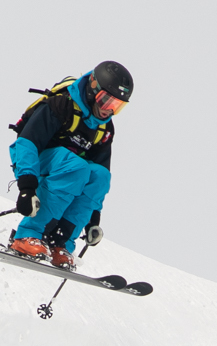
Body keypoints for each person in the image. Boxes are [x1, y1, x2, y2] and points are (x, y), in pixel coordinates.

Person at [7, 60, 132, 267]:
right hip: (32, 159)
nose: (108, 110)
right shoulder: (61, 105)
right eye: (106, 100)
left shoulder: (104, 129)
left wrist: (93, 220)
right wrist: (27, 188)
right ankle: (27, 235)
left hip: (69, 169)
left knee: (100, 175)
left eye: (116, 106)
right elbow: (27, 143)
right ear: (93, 88)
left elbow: (98, 177)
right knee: (77, 166)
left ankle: (59, 242)